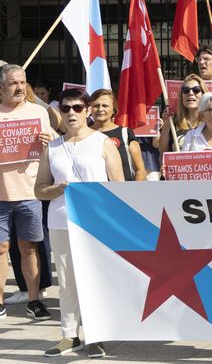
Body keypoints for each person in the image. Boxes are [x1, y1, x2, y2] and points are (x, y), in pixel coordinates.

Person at [34, 88, 124, 357]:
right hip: (61, 220)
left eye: (77, 108)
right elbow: (39, 189)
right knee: (67, 281)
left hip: (96, 223)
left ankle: (97, 334)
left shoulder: (103, 143)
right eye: (65, 108)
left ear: (87, 111)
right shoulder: (52, 147)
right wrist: (56, 190)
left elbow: (119, 188)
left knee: (95, 280)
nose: (71, 113)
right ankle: (69, 335)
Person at [0, 64, 53, 320]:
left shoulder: (38, 112)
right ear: (2, 88)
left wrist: (49, 140)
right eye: (13, 83)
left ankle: (34, 300)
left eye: (22, 82)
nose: (19, 87)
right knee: (1, 248)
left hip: (29, 192)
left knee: (29, 246)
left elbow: (54, 144)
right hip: (0, 194)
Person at [89, 89, 146, 181]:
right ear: (89, 109)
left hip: (123, 192)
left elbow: (140, 170)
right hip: (93, 192)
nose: (100, 109)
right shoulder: (83, 134)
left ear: (114, 109)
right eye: (96, 105)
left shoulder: (125, 134)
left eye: (105, 106)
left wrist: (134, 193)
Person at [158, 74, 207, 153]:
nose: (190, 93)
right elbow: (163, 152)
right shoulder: (173, 122)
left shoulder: (210, 122)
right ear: (181, 96)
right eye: (185, 90)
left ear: (203, 94)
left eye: (196, 90)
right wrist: (166, 126)